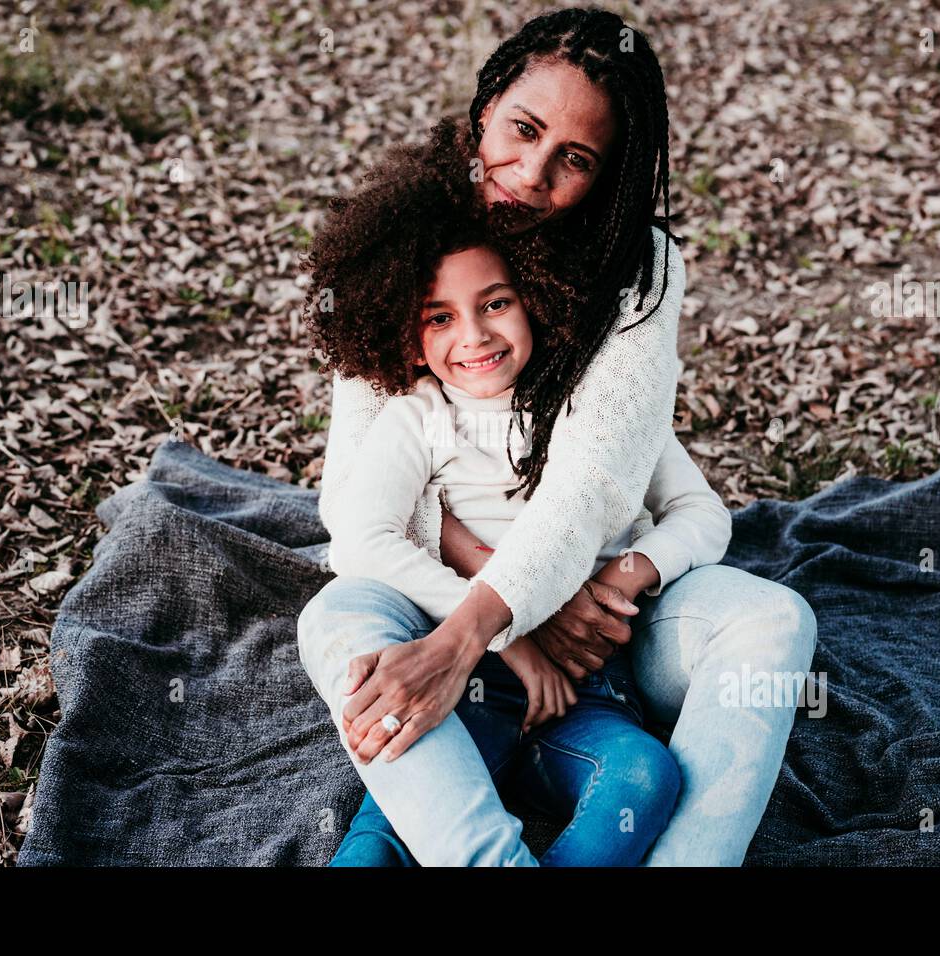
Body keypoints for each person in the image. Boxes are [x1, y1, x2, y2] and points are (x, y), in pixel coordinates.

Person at [299, 9, 817, 866]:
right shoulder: (402, 245)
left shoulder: (637, 269)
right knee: (338, 614)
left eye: (574, 159)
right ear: (483, 110)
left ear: (608, 178)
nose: (531, 175)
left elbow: (596, 485)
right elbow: (352, 497)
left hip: (613, 631)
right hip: (446, 601)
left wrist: (588, 583)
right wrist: (500, 614)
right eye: (522, 130)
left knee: (774, 620)